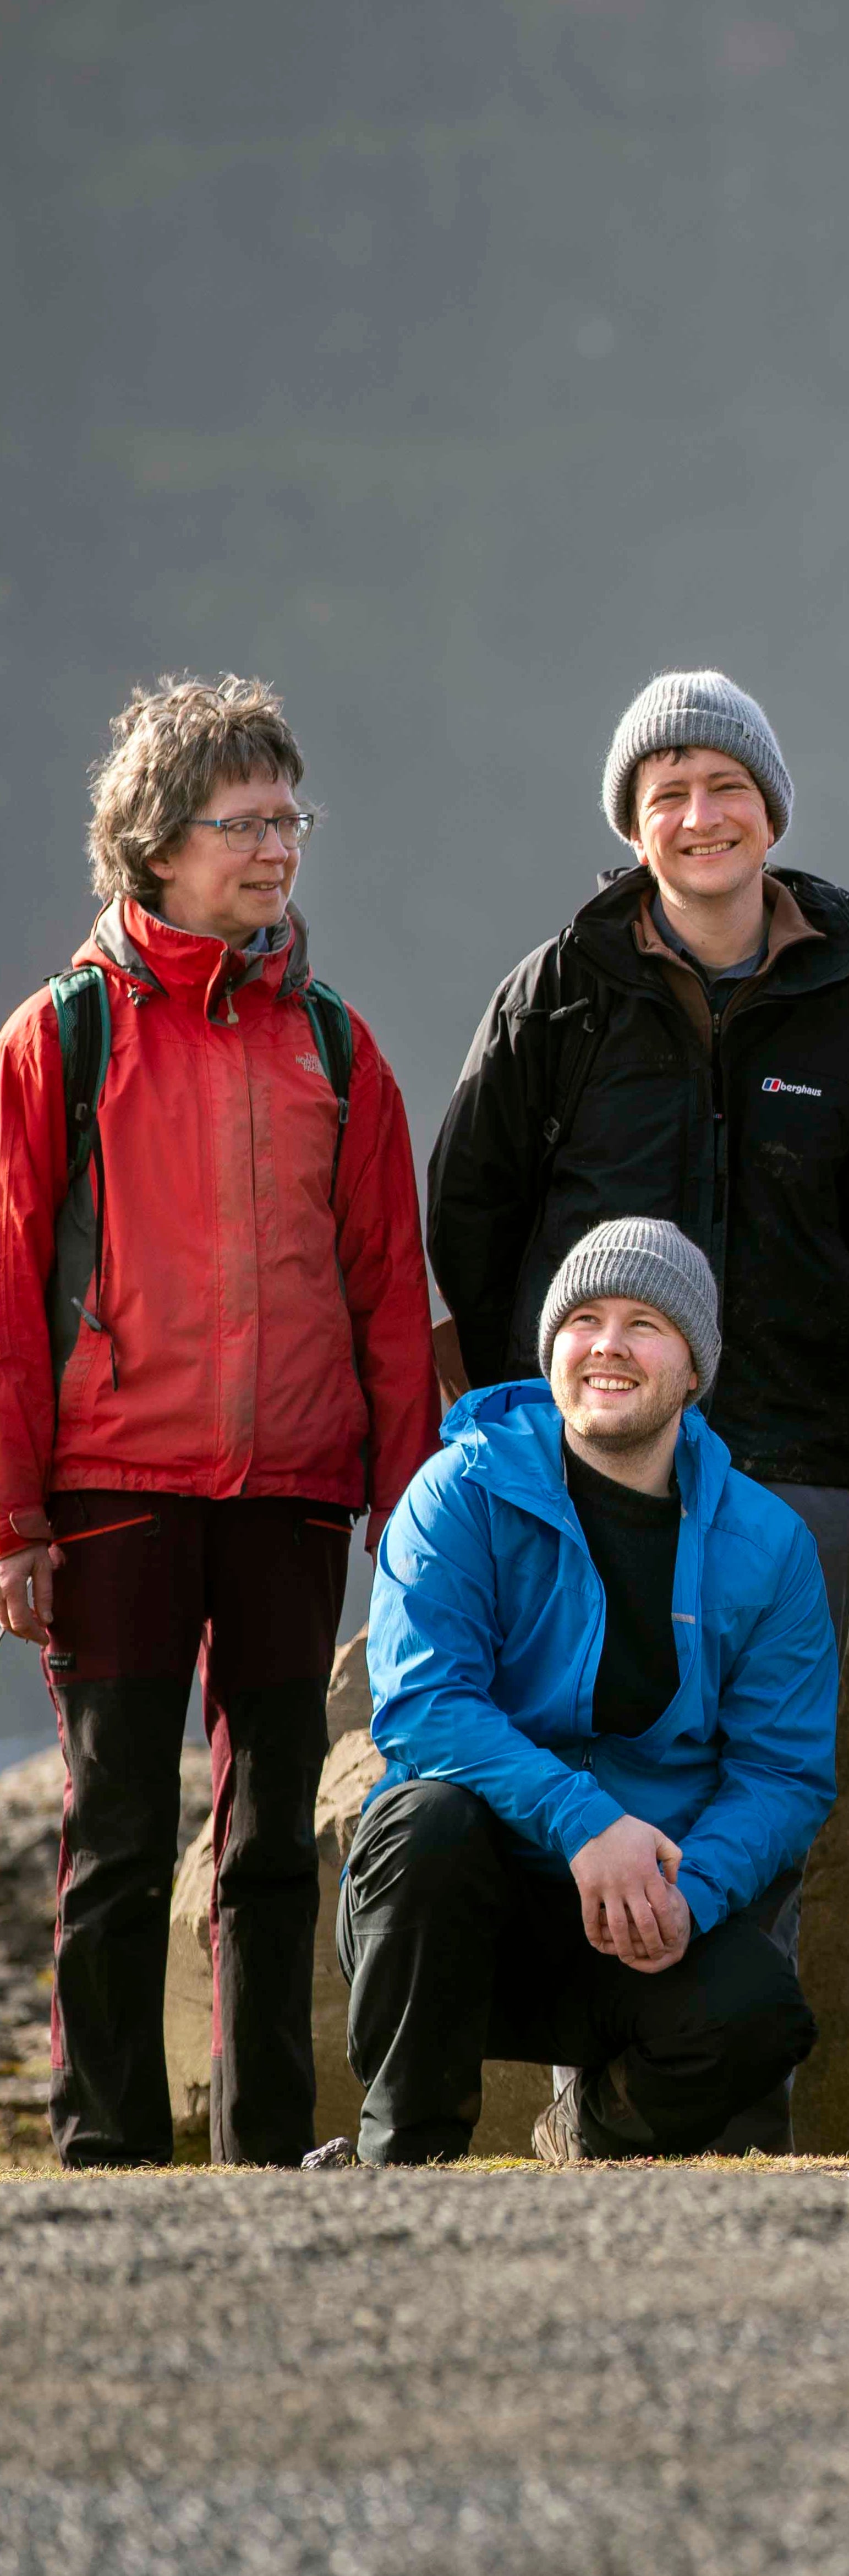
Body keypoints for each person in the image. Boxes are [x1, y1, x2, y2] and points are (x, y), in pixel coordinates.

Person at [0, 679, 434, 2168]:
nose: (276, 847)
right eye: (241, 821)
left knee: (266, 1848)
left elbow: (387, 1284)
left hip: (294, 1491)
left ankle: (265, 2157)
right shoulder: (59, 1034)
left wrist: (411, 1496)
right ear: (152, 843)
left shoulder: (334, 1043)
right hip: (114, 1479)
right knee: (116, 1835)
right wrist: (13, 1517)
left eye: (286, 817)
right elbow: (4, 1292)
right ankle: (106, 2146)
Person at [429, 670, 849, 1648]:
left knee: (776, 1762)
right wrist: (538, 1408)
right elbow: (468, 1214)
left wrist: (818, 1364)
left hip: (790, 1456)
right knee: (588, 1756)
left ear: (773, 811)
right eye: (668, 794)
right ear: (633, 828)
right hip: (586, 1459)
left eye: (727, 785)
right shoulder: (556, 993)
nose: (702, 817)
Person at [339, 1222, 838, 2162]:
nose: (607, 1343)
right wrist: (584, 1823)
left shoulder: (768, 1545)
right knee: (427, 1821)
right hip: (458, 1915)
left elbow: (784, 1773)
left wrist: (691, 1891)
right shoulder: (457, 1492)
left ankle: (586, 2136)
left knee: (761, 2012)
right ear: (551, 1346)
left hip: (636, 1918)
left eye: (644, 1322)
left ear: (694, 1370)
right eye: (584, 1318)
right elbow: (424, 1708)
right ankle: (405, 2163)